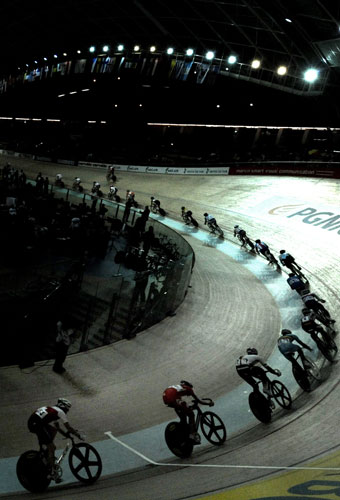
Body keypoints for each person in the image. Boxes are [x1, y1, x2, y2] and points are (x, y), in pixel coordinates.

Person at [27, 398, 83, 482]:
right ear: (63, 406)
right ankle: (53, 473)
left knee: (53, 430)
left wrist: (66, 435)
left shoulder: (53, 409)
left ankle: (46, 451)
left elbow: (58, 428)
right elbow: (68, 427)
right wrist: (78, 435)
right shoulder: (60, 412)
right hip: (37, 424)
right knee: (52, 447)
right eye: (67, 408)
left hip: (35, 422)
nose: (68, 410)